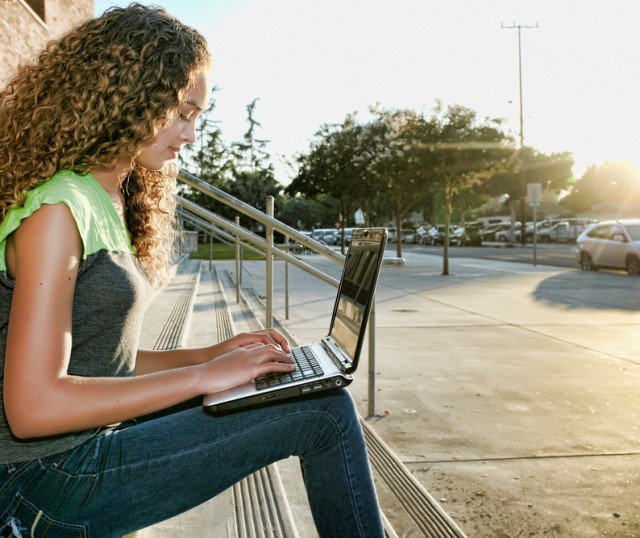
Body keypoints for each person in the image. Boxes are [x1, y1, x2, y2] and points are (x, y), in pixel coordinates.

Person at [0, 4, 384, 537]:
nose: (191, 134)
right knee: (324, 415)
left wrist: (213, 354)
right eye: (182, 111)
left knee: (310, 395)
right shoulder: (58, 210)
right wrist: (202, 378)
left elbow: (100, 362)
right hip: (38, 485)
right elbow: (34, 405)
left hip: (74, 454)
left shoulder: (107, 195)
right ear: (129, 95)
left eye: (199, 115)